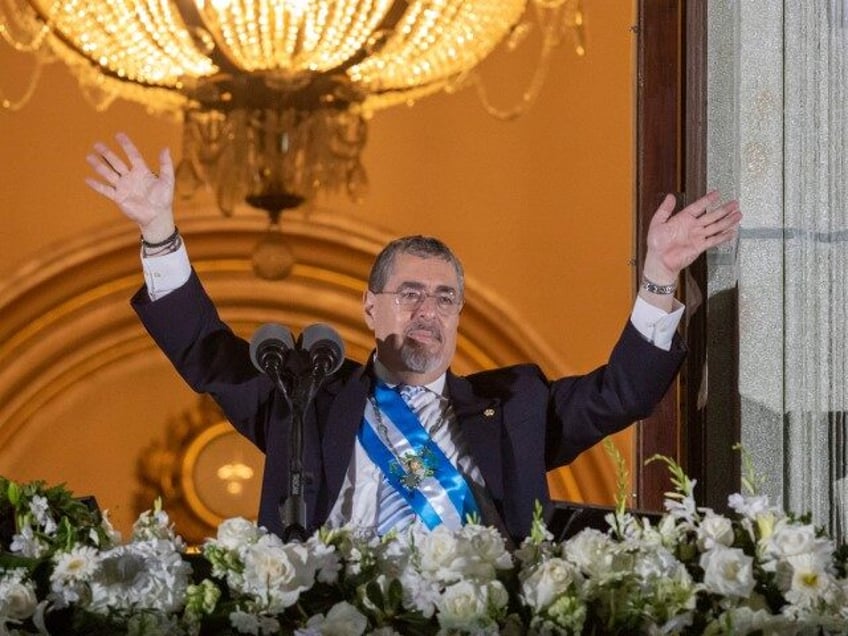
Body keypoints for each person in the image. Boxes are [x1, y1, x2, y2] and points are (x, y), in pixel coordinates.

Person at [86, 133, 742, 544]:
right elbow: (207, 354)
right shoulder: (303, 399)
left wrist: (660, 274)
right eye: (410, 294)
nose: (428, 309)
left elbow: (621, 393)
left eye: (445, 297)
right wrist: (158, 233)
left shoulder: (514, 406)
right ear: (370, 310)